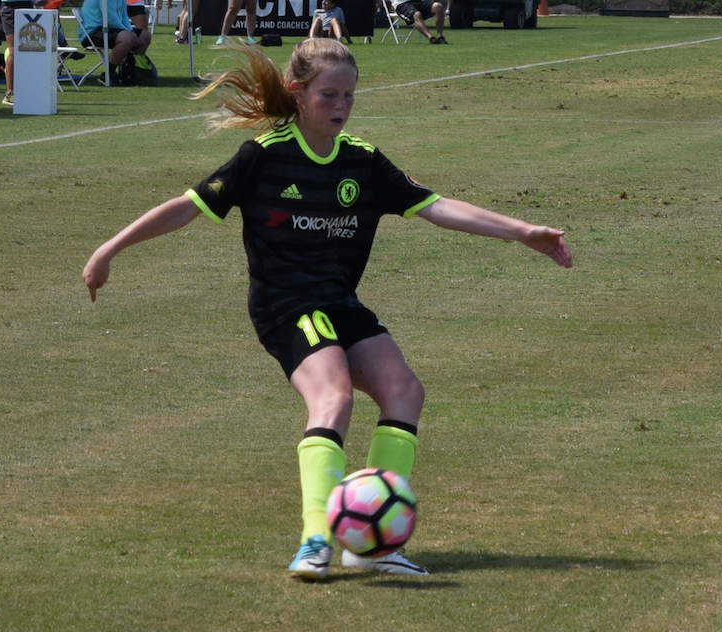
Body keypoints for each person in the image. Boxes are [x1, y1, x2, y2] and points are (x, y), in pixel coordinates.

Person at [82, 39, 572, 581]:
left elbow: (437, 206)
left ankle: (372, 544)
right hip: (285, 305)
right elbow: (187, 207)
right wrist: (110, 249)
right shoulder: (265, 156)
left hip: (338, 302)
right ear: (299, 92)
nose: (340, 105)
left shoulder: (361, 160)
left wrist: (523, 232)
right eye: (329, 94)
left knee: (405, 392)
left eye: (350, 96)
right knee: (334, 397)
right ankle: (316, 539)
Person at [78, 0, 152, 85]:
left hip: (110, 29)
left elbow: (123, 14)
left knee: (144, 35)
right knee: (128, 37)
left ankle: (131, 71)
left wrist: (130, 31)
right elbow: (110, 17)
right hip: (92, 32)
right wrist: (128, 33)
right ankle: (108, 74)